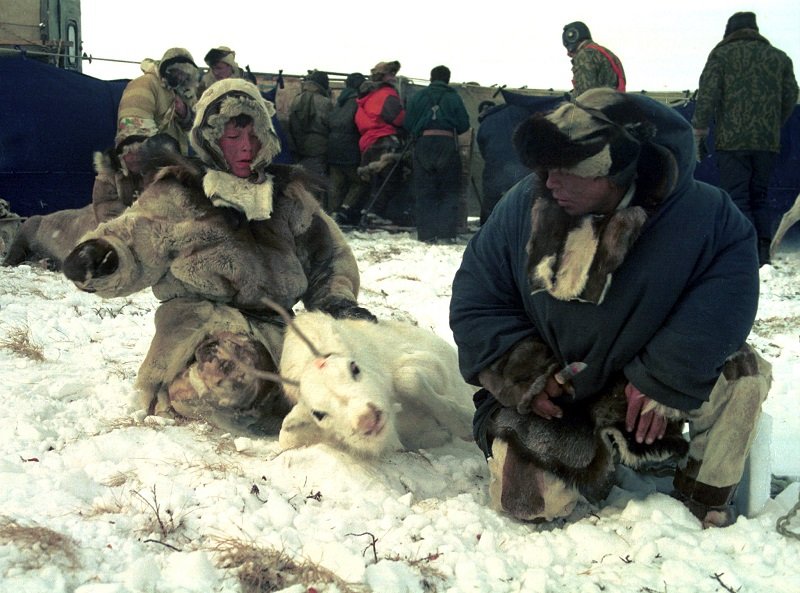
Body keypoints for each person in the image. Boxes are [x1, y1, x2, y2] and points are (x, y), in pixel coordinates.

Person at [449, 88, 772, 528]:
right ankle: (594, 457)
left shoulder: (705, 215)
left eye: (569, 170)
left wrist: (664, 377)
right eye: (545, 168)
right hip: (559, 393)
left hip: (648, 378)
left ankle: (701, 497)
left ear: (620, 169)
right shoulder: (522, 207)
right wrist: (526, 374)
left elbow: (723, 301)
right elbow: (478, 299)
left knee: (743, 376)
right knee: (527, 501)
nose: (550, 181)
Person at [63, 78, 375, 435]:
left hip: (275, 331)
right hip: (200, 328)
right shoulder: (179, 191)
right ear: (211, 139)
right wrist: (105, 254)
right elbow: (136, 234)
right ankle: (178, 392)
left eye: (254, 135)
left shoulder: (288, 196)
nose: (246, 147)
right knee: (231, 374)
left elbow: (329, 257)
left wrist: (337, 301)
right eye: (233, 137)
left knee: (348, 374)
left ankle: (293, 406)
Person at [692, 11, 798, 267]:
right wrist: (773, 124)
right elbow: (791, 95)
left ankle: (744, 256)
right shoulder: (779, 58)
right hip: (766, 142)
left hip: (732, 142)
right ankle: (762, 257)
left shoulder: (721, 56)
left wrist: (699, 130)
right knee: (759, 197)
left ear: (729, 32)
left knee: (738, 197)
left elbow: (707, 96)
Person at [403, 65, 470, 243]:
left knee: (425, 191)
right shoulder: (453, 97)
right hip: (447, 144)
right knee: (448, 191)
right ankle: (446, 234)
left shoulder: (419, 96)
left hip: (424, 145)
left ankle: (426, 235)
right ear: (448, 79)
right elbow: (464, 124)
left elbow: (408, 123)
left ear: (431, 78)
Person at [116, 47, 200, 155]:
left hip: (172, 160)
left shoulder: (180, 93)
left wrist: (184, 113)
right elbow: (133, 130)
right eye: (176, 71)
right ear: (166, 68)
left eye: (184, 74)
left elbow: (196, 129)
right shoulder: (144, 84)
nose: (179, 77)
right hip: (141, 160)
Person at [355, 60, 409, 225]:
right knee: (389, 179)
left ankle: (369, 211)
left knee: (374, 180)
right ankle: (378, 213)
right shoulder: (387, 95)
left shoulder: (366, 96)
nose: (394, 78)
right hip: (385, 141)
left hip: (368, 141)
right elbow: (398, 119)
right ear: (384, 76)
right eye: (391, 74)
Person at [329, 72, 369, 225]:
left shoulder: (339, 101)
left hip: (332, 146)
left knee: (336, 184)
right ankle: (344, 210)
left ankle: (332, 214)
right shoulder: (358, 102)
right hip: (350, 147)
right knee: (359, 182)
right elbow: (361, 124)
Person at [287, 70, 333, 178]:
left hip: (299, 146)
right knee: (318, 180)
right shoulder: (325, 102)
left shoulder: (296, 100)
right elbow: (330, 125)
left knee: (302, 178)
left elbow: (291, 125)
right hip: (320, 148)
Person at [562, 21, 626, 97]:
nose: (568, 53)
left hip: (598, 106)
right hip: (614, 103)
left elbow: (585, 95)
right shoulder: (606, 53)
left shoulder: (585, 55)